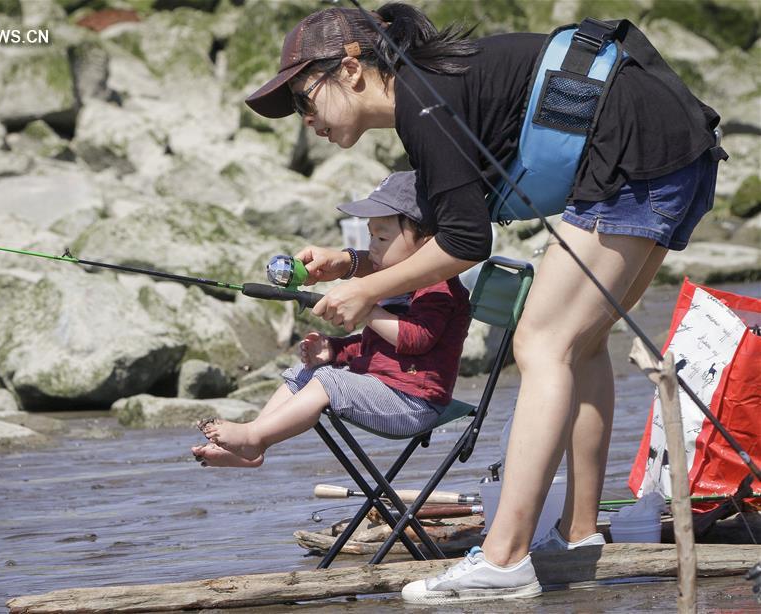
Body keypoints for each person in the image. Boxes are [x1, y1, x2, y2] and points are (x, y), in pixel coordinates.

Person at [244, 2, 723, 603]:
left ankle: (504, 558)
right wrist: (355, 265)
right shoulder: (427, 96)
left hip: (635, 155)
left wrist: (367, 292)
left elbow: (467, 243)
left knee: (540, 342)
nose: (303, 118)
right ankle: (575, 538)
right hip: (669, 147)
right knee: (581, 343)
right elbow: (443, 225)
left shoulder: (421, 104)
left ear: (351, 67)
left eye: (303, 98)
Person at [192, 171, 471, 468]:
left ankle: (254, 437)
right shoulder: (393, 282)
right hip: (385, 387)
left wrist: (366, 308)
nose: (372, 246)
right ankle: (254, 444)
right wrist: (336, 350)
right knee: (306, 371)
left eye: (382, 237)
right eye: (371, 235)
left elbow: (416, 339)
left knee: (330, 381)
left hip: (415, 403)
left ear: (426, 243)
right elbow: (376, 346)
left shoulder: (438, 289)